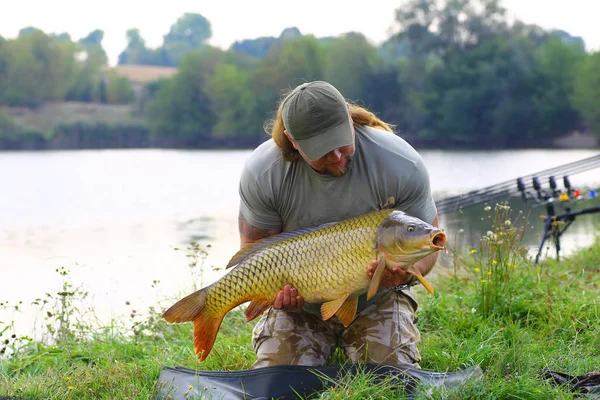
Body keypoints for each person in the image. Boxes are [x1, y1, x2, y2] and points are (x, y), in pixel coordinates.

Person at [237, 80, 439, 369]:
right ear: (294, 141)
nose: (335, 156)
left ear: (348, 117)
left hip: (377, 299)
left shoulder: (401, 162)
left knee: (391, 377)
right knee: (278, 379)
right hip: (300, 307)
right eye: (321, 150)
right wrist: (274, 295)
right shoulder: (263, 172)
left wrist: (406, 274)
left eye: (340, 141)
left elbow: (430, 244)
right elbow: (252, 251)